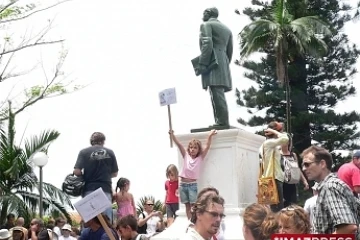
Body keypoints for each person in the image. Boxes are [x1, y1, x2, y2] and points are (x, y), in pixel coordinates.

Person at [301, 146, 359, 235]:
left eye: (307, 164)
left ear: (322, 164)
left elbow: (349, 227)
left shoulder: (330, 186)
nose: (304, 169)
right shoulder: (330, 185)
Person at [194, 7, 233, 129]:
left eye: (203, 13)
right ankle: (221, 120)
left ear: (208, 13)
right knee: (218, 93)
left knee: (216, 92)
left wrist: (202, 63)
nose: (202, 15)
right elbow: (230, 51)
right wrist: (224, 63)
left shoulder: (206, 25)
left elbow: (207, 43)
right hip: (223, 61)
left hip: (212, 60)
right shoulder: (227, 29)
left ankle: (222, 122)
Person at [169, 129, 217, 219]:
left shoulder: (200, 158)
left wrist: (209, 136)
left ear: (198, 149)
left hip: (192, 185)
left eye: (195, 148)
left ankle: (194, 220)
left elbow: (207, 147)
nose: (192, 149)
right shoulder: (186, 156)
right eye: (191, 147)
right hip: (183, 185)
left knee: (193, 205)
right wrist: (172, 135)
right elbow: (179, 145)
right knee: (187, 205)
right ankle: (189, 221)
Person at [73, 132, 119, 222]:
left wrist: (87, 175)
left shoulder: (84, 152)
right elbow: (115, 173)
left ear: (91, 141)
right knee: (106, 221)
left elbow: (77, 171)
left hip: (89, 189)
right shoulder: (110, 152)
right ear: (103, 141)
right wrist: (104, 174)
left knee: (89, 221)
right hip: (105, 190)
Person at [259, 121, 289, 212]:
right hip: (274, 178)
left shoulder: (266, 145)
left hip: (268, 178)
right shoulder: (269, 143)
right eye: (280, 131)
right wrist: (276, 132)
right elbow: (285, 139)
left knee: (273, 207)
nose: (281, 133)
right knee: (277, 208)